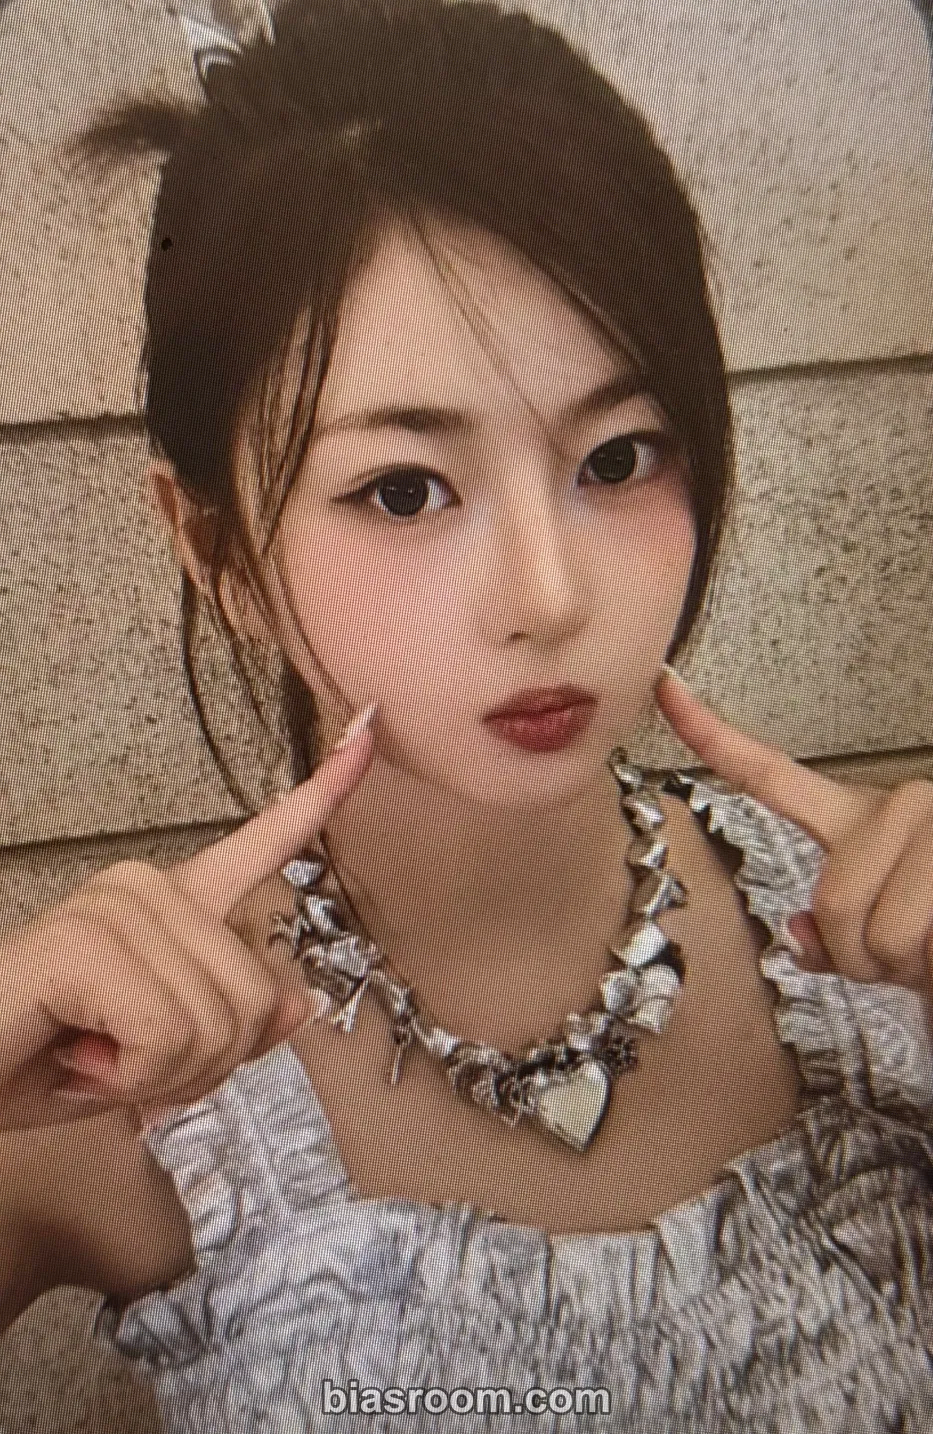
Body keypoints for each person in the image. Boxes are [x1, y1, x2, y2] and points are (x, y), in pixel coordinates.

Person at [2, 0, 933, 1428]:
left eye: (618, 457)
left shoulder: (879, 946)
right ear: (218, 551)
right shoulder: (107, 1084)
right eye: (405, 489)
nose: (549, 595)